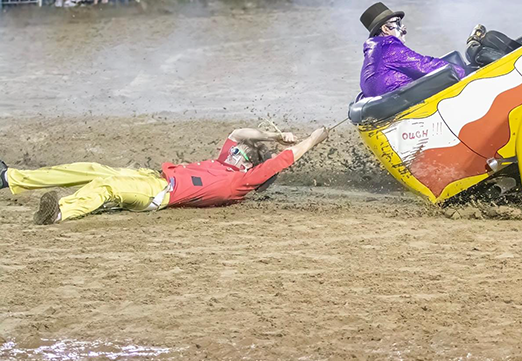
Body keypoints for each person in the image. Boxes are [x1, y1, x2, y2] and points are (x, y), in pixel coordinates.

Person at [0, 126, 328, 225]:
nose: (242, 151)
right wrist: (273, 138)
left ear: (254, 169)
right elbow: (239, 133)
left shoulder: (241, 182)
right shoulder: (226, 163)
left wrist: (313, 139)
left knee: (108, 185)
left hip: (159, 193)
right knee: (90, 169)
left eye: (252, 156)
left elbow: (286, 159)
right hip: (152, 177)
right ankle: (11, 178)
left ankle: (59, 212)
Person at [358, 2, 465, 98]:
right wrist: (462, 71)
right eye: (398, 23)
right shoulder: (389, 47)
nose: (403, 28)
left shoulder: (374, 53)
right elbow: (424, 66)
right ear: (386, 29)